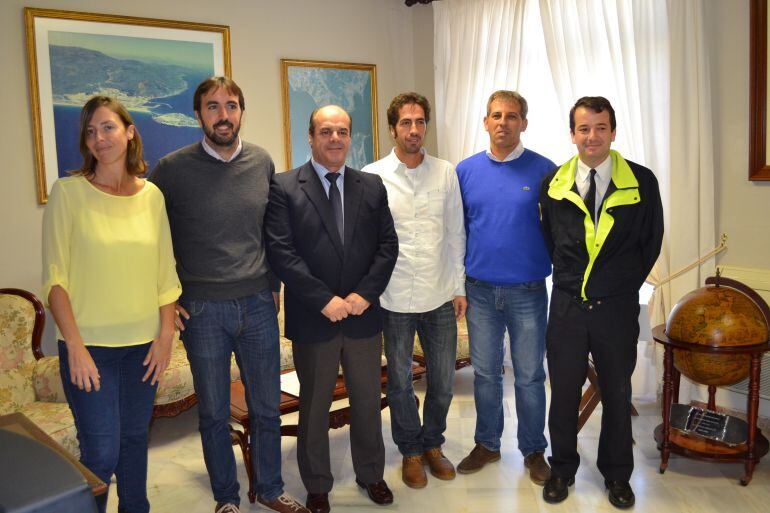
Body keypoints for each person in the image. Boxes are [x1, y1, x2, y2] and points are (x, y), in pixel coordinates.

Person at [149, 77, 307, 513]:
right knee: (215, 413)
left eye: (232, 106)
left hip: (257, 304)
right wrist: (168, 298)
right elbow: (151, 239)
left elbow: (275, 231)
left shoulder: (261, 161)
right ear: (198, 114)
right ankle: (226, 498)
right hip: (201, 311)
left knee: (266, 410)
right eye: (213, 107)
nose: (224, 115)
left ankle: (271, 489)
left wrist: (273, 285)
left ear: (241, 111)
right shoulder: (171, 169)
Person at [42, 96, 182, 513]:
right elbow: (55, 281)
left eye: (107, 127)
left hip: (144, 348)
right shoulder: (68, 194)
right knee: (100, 453)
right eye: (90, 131)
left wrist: (165, 336)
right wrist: (76, 348)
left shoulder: (152, 196)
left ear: (129, 132)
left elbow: (165, 275)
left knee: (136, 444)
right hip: (90, 350)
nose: (99, 138)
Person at [264, 105, 399, 513]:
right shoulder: (285, 187)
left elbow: (387, 247)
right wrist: (325, 300)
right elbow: (282, 253)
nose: (335, 138)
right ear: (311, 136)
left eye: (342, 131)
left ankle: (371, 474)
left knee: (366, 402)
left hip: (362, 316)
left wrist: (363, 296)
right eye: (326, 131)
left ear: (350, 137)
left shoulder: (371, 186)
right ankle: (317, 485)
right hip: (314, 318)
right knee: (315, 406)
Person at [539, 96, 663, 509]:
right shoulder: (553, 184)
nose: (592, 136)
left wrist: (617, 284)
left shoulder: (643, 182)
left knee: (616, 392)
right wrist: (577, 281)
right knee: (564, 394)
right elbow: (551, 242)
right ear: (572, 134)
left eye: (600, 127)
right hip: (568, 306)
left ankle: (617, 476)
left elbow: (650, 243)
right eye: (583, 128)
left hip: (616, 307)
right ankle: (561, 470)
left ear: (613, 131)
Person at [362, 92, 466, 489]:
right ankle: (409, 450)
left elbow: (456, 233)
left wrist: (458, 286)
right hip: (394, 298)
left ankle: (433, 445)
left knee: (442, 380)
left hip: (439, 295)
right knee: (401, 383)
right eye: (406, 122)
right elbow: (367, 240)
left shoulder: (446, 173)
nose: (414, 129)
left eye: (420, 122)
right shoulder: (373, 175)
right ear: (393, 129)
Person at [455, 90, 554, 485]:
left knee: (530, 375)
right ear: (485, 122)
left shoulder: (546, 171)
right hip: (479, 290)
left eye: (512, 116)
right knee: (485, 374)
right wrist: (457, 285)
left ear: (523, 123)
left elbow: (561, 232)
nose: (503, 122)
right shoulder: (464, 171)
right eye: (496, 115)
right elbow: (456, 233)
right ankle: (487, 444)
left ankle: (533, 450)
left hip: (528, 291)